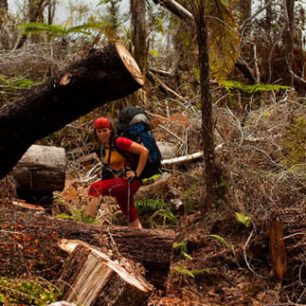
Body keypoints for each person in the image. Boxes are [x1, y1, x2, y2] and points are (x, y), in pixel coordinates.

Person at [83, 116, 149, 229]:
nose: (102, 134)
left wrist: (137, 173)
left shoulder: (120, 141)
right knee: (130, 214)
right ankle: (142, 236)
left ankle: (84, 226)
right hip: (120, 182)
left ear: (111, 130)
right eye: (99, 131)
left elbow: (144, 151)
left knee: (95, 188)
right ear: (95, 133)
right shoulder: (104, 147)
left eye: (105, 130)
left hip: (130, 181)